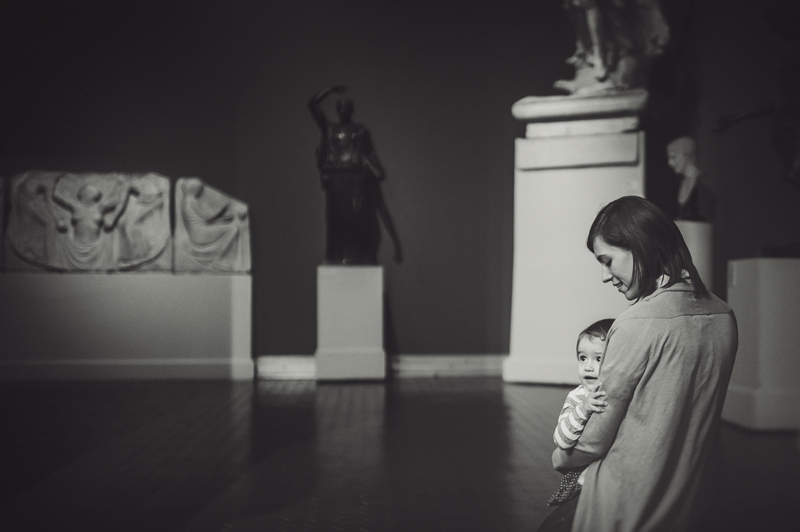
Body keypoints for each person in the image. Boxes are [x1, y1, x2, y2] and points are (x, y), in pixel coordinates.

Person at [549, 196, 737, 531]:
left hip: (627, 507)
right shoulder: (724, 316)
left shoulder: (635, 323)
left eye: (607, 261)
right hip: (694, 505)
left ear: (640, 246)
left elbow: (592, 442)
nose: (605, 276)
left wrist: (560, 457)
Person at [308, 85, 401, 265]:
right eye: (340, 106)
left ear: (351, 110)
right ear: (337, 110)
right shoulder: (329, 128)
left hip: (354, 181)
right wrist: (330, 90)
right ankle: (336, 256)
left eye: (347, 107)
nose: (343, 110)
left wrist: (376, 169)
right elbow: (312, 104)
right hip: (334, 182)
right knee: (335, 221)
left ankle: (357, 256)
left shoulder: (359, 131)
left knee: (356, 220)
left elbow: (372, 158)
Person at [547, 318, 614, 508]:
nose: (588, 367)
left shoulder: (618, 393)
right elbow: (561, 440)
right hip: (581, 480)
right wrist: (583, 408)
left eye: (598, 358)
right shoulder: (578, 396)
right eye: (582, 358)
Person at [666, 137, 716, 222]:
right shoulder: (681, 182)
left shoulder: (704, 183)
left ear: (686, 156)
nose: (670, 163)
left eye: (673, 157)